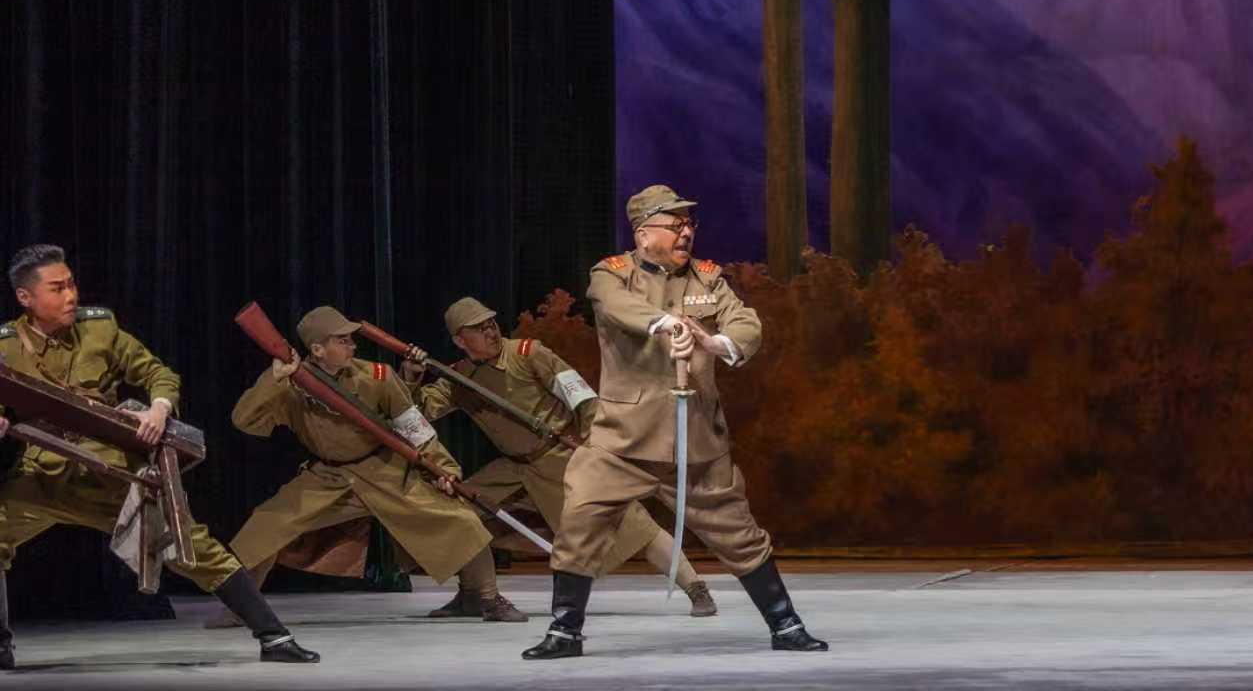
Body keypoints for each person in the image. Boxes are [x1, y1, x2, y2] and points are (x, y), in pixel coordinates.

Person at [522, 185, 827, 659]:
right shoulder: (612, 274)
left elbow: (745, 322)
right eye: (675, 224)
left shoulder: (708, 279)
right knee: (579, 522)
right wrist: (667, 324)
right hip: (623, 439)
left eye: (689, 224)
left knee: (738, 534)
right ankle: (564, 632)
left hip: (695, 439)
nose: (687, 232)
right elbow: (617, 307)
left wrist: (716, 343)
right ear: (644, 234)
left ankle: (785, 625)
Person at [0, 246, 319, 667]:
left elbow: (157, 372)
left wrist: (159, 408)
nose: (71, 295)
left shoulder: (99, 328)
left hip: (111, 475)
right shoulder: (5, 345)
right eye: (57, 288)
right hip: (43, 476)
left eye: (71, 283)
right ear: (25, 297)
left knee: (191, 546)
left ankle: (274, 637)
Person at [404, 296, 716, 617]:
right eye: (479, 329)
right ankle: (473, 593)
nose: (491, 332)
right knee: (460, 512)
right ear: (459, 340)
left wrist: (595, 447)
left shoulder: (528, 353)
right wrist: (413, 377)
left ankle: (696, 588)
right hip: (514, 468)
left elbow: (582, 397)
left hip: (561, 458)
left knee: (630, 523)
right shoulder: (458, 377)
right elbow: (418, 413)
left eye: (491, 324)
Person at [224, 305, 522, 623]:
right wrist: (273, 379)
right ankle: (242, 609)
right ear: (318, 349)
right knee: (265, 525)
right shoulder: (290, 385)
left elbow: (413, 426)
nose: (353, 346)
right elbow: (245, 421)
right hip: (328, 477)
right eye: (343, 341)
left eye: (351, 339)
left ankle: (484, 597)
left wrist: (445, 468)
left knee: (461, 517)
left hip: (384, 470)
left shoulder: (377, 376)